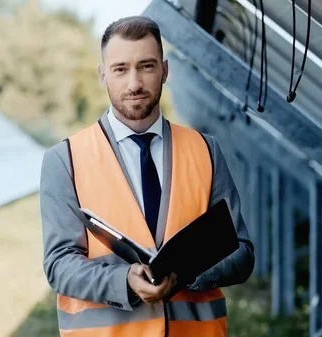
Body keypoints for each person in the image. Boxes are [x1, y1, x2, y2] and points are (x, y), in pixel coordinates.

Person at [40, 15, 255, 337]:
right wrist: (122, 281)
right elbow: (59, 264)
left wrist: (187, 273)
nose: (134, 84)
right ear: (103, 75)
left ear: (165, 71)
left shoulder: (206, 151)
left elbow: (242, 253)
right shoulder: (64, 159)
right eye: (120, 69)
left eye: (147, 66)